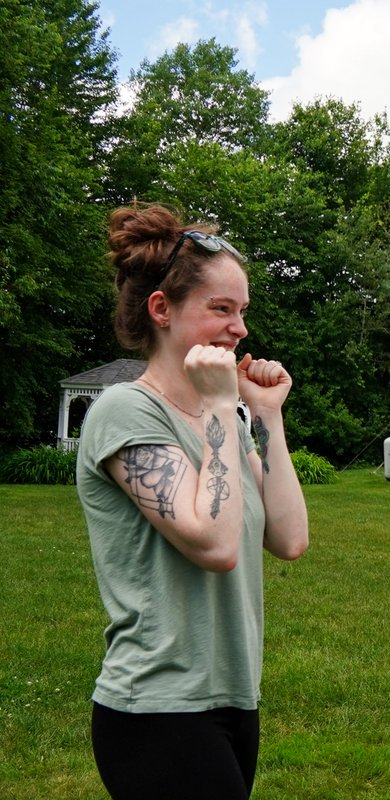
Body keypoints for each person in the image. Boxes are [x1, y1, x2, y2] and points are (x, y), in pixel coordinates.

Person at [76, 203, 309, 799]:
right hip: (157, 704)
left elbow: (289, 539)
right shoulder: (125, 411)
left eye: (243, 311)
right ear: (162, 310)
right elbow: (215, 543)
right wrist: (216, 409)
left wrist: (266, 421)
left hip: (234, 695)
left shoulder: (225, 420)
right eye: (221, 309)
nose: (240, 330)